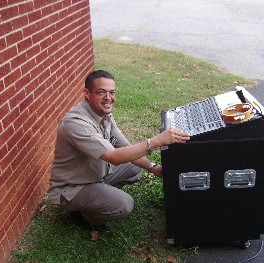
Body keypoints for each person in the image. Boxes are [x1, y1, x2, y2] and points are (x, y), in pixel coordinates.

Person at [47, 70, 190, 229]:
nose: (108, 98)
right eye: (101, 92)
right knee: (124, 204)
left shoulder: (104, 113)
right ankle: (86, 215)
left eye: (112, 92)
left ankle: (98, 198)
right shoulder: (76, 123)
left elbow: (126, 148)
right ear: (87, 93)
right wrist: (156, 141)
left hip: (94, 175)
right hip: (71, 188)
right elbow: (114, 157)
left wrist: (152, 167)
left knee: (136, 168)